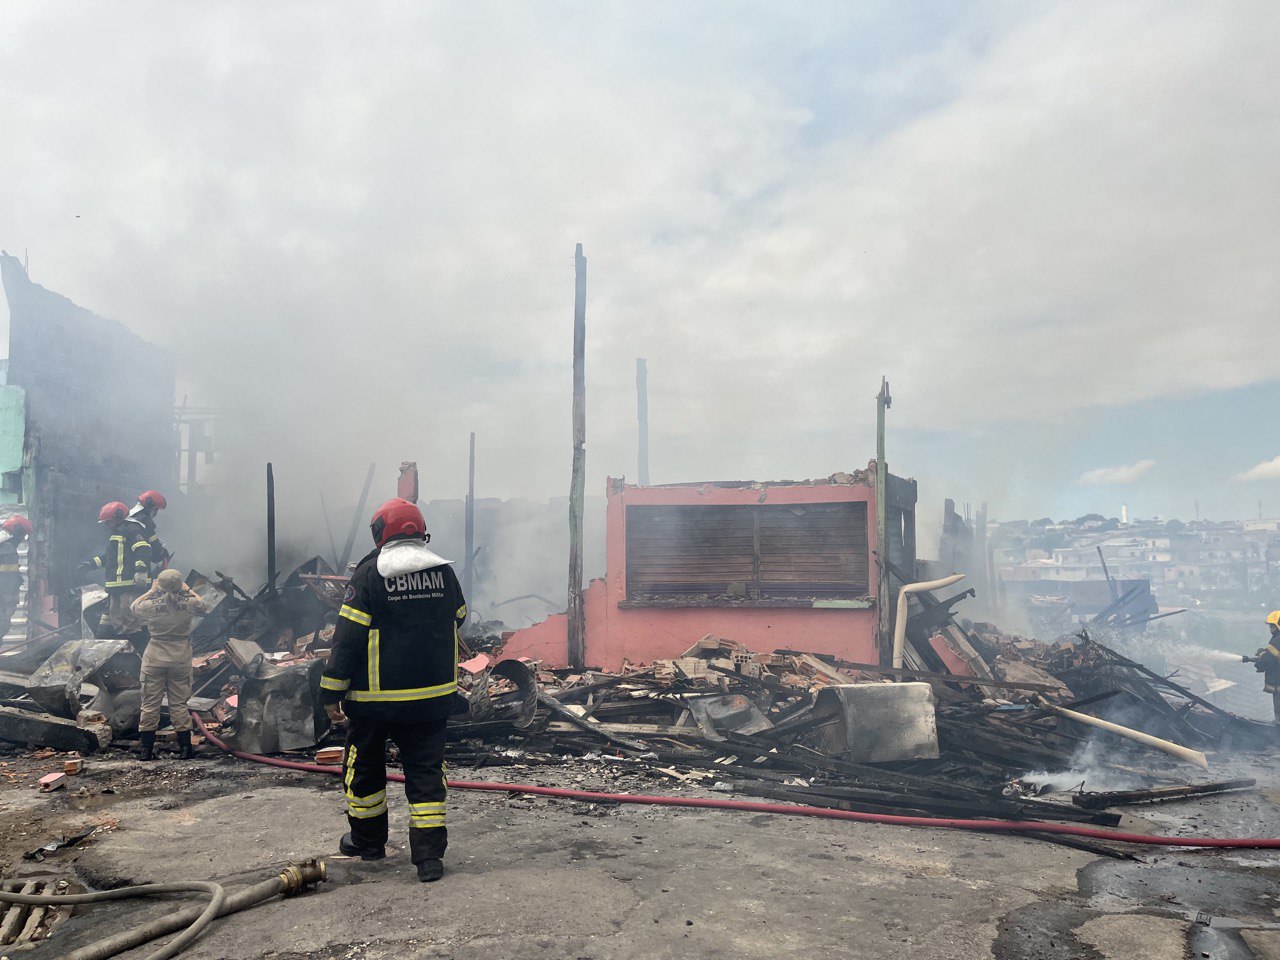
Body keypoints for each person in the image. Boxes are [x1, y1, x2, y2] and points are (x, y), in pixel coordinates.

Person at [319, 498, 466, 883]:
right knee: (426, 774)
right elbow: (460, 616)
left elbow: (347, 639)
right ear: (420, 531)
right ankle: (429, 860)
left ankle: (368, 844)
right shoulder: (443, 572)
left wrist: (330, 691)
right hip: (433, 699)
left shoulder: (369, 575)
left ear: (379, 533)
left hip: (374, 702)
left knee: (365, 771)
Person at [130, 568, 206, 760]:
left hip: (155, 656)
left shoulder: (150, 605)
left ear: (159, 585)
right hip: (180, 656)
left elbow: (133, 607)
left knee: (149, 704)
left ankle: (146, 750)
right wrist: (187, 589)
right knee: (179, 704)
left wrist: (151, 591)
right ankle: (185, 749)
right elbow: (203, 604)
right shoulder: (188, 604)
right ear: (179, 585)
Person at [78, 502, 152, 637]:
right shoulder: (117, 533)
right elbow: (110, 557)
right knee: (109, 624)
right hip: (116, 588)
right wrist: (90, 564)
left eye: (108, 522)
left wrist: (140, 571)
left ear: (118, 517)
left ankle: (138, 652)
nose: (107, 525)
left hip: (129, 587)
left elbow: (143, 549)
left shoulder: (133, 529)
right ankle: (106, 648)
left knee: (129, 624)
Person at [0, 516, 32, 638]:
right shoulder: (8, 550)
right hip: (2, 600)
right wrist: (8, 603)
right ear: (18, 531)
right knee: (2, 625)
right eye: (23, 534)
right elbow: (7, 580)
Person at [130, 490, 170, 574]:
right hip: (139, 574)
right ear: (149, 508)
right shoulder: (145, 522)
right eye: (155, 510)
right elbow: (154, 544)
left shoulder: (128, 521)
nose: (156, 514)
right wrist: (163, 553)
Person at [1251, 611, 1280, 724]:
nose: (1271, 628)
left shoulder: (1277, 640)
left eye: (1272, 625)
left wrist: (1261, 655)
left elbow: (1268, 660)